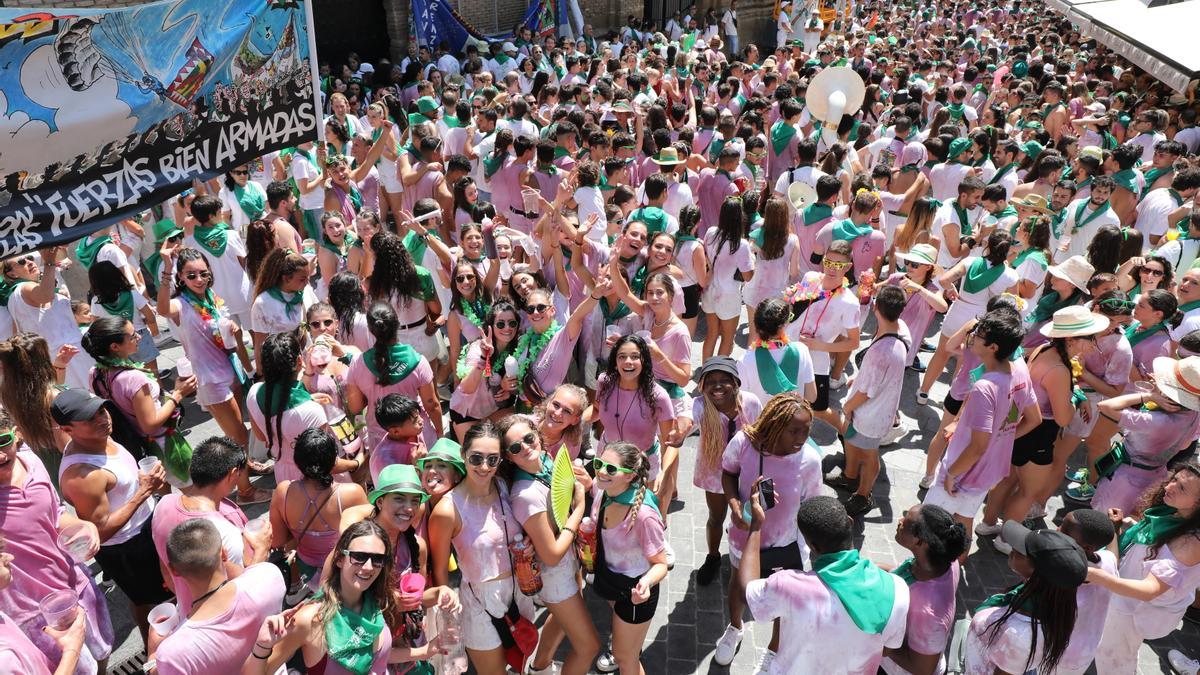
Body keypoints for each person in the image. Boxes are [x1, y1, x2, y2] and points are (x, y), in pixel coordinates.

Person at [738, 494, 910, 673]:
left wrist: (756, 526)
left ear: (812, 545)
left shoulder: (790, 586)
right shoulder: (898, 588)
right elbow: (889, 648)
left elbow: (745, 590)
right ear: (850, 523)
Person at [53, 388, 171, 643]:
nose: (102, 419)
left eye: (102, 411)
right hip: (128, 549)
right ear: (68, 429)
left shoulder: (98, 437)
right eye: (89, 419)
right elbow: (100, 532)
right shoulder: (83, 475)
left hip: (145, 528)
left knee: (162, 597)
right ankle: (157, 657)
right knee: (153, 604)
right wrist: (143, 492)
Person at [0, 408, 112, 674]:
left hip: (73, 583)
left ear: (16, 436)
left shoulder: (32, 462)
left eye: (2, 440)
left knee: (99, 651)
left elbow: (57, 513)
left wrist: (83, 525)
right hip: (33, 612)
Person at [716, 391, 822, 670]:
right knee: (738, 587)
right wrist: (735, 505)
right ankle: (734, 628)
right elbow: (728, 473)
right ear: (774, 425)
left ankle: (774, 651)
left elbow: (812, 505)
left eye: (807, 430)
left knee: (783, 601)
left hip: (786, 544)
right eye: (794, 431)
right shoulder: (743, 443)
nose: (801, 438)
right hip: (744, 536)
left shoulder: (810, 460)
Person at [155, 245, 262, 501]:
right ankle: (245, 491)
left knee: (236, 432)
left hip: (230, 369)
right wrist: (167, 270)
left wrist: (233, 327)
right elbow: (161, 309)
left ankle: (245, 468)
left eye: (203, 273)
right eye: (191, 276)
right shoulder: (181, 304)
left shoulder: (210, 297)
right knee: (238, 436)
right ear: (181, 278)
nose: (199, 279)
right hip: (211, 380)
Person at [428, 422, 536, 675]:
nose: (484, 466)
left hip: (520, 592)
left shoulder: (504, 486)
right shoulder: (448, 509)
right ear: (464, 456)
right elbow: (441, 572)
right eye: (476, 458)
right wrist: (447, 618)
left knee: (520, 665)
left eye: (492, 459)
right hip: (479, 602)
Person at [498, 415, 600, 675]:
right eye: (515, 448)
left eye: (529, 439)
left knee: (563, 621)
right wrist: (579, 507)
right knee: (589, 647)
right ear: (508, 457)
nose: (526, 447)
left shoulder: (545, 462)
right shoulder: (526, 496)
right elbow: (552, 555)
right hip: (555, 576)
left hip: (569, 565)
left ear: (537, 435)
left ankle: (540, 667)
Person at [1088, 462, 1200, 674]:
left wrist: (1096, 576)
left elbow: (1150, 590)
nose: (1169, 487)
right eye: (1175, 479)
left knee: (1115, 659)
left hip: (1132, 610)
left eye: (1182, 488)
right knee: (1116, 650)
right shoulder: (1174, 511)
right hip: (1122, 597)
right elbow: (1149, 541)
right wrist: (1128, 527)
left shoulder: (1191, 543)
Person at [247, 520, 396, 674]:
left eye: (378, 559)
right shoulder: (311, 619)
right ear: (339, 559)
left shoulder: (379, 601)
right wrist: (263, 645)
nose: (368, 567)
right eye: (359, 556)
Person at [148, 519, 282, 675]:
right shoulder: (270, 576)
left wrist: (152, 655)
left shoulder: (171, 653)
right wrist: (260, 550)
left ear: (174, 570)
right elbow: (254, 575)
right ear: (223, 553)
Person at [81, 318, 197, 484]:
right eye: (133, 336)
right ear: (115, 346)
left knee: (161, 490)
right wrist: (178, 394)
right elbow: (150, 424)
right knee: (193, 490)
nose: (139, 337)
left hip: (136, 446)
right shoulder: (133, 378)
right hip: (162, 446)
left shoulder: (96, 372)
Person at [965, 522, 1088, 674]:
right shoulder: (1050, 597)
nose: (1013, 548)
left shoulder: (1020, 638)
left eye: (1022, 550)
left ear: (1036, 571)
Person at [590, 441, 669, 674]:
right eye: (599, 463)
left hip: (636, 593)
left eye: (611, 469)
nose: (602, 472)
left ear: (630, 476)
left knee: (625, 659)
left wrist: (646, 583)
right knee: (627, 651)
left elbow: (660, 564)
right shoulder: (603, 490)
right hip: (613, 581)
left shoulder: (643, 516)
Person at [835, 286, 910, 515]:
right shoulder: (902, 330)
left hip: (870, 415)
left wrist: (848, 407)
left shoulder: (880, 353)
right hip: (878, 411)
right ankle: (849, 478)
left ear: (876, 308)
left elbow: (867, 392)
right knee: (856, 443)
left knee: (870, 457)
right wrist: (859, 378)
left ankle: (863, 495)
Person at [268, 428, 367, 597]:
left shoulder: (283, 492)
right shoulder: (352, 493)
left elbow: (277, 540)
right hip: (343, 574)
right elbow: (367, 538)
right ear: (334, 462)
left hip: (308, 573)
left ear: (297, 461)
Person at [879, 504, 966, 675]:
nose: (900, 521)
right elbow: (904, 574)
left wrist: (878, 643)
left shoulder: (930, 614)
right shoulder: (946, 563)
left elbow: (923, 669)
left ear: (920, 541)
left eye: (906, 522)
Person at [346, 301, 443, 450]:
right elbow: (432, 404)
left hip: (381, 442)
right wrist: (440, 433)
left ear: (371, 330)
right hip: (417, 439)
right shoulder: (417, 361)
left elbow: (355, 407)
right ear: (397, 323)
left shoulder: (357, 364)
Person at [247, 332, 338, 483]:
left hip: (282, 473)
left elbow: (262, 436)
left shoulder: (253, 392)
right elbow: (322, 460)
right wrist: (357, 462)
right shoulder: (312, 411)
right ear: (299, 361)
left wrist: (308, 400)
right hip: (313, 480)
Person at [1056, 508, 1119, 675]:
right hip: (1087, 647)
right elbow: (1113, 556)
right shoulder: (1106, 562)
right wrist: (1114, 530)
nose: (1057, 530)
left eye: (1064, 530)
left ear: (1087, 547)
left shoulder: (1066, 579)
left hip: (1061, 654)